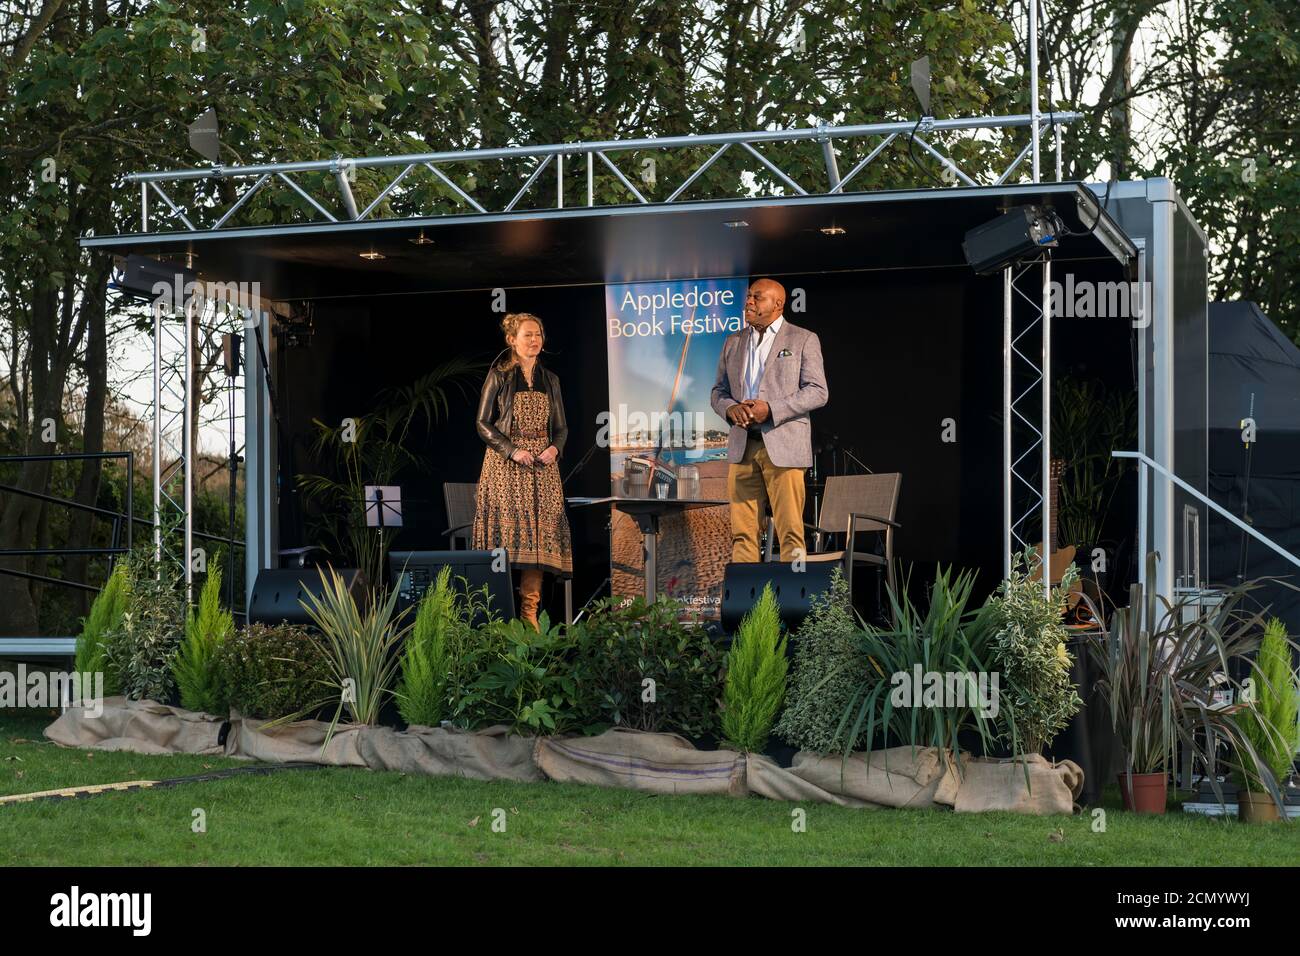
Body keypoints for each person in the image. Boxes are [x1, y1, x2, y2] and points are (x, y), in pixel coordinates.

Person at [710, 278, 828, 563]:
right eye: (748, 296)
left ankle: (794, 602)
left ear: (777, 304)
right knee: (742, 532)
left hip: (784, 446)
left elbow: (818, 391)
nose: (748, 302)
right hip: (743, 447)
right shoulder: (733, 341)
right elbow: (718, 392)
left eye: (757, 297)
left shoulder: (803, 338)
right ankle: (748, 606)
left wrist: (771, 409)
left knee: (790, 531)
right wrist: (729, 409)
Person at [472, 313, 573, 629]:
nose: (534, 340)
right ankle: (496, 617)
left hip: (542, 469)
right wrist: (512, 450)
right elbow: (482, 423)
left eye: (538, 334)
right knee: (503, 540)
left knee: (539, 543)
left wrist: (554, 449)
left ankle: (530, 617)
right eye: (528, 335)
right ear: (512, 340)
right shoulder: (499, 376)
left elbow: (561, 428)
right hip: (505, 468)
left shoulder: (551, 379)